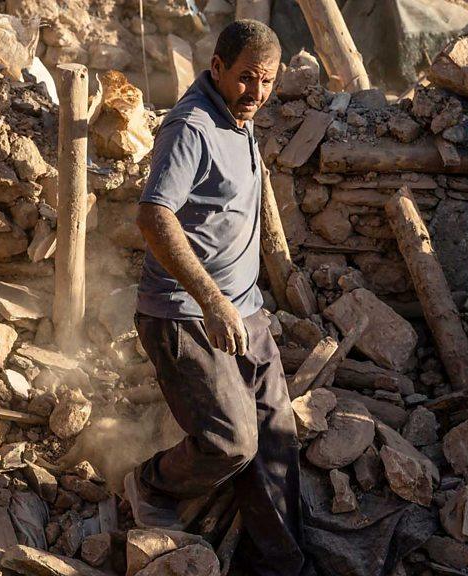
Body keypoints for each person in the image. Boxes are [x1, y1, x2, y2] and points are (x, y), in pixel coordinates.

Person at [126, 19, 306, 576]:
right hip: (186, 313)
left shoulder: (239, 118)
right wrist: (210, 299)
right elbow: (155, 215)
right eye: (246, 78)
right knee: (231, 443)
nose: (256, 93)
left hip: (243, 308)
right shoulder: (193, 126)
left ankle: (282, 566)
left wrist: (239, 299)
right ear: (217, 68)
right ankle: (150, 483)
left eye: (268, 81)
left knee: (276, 441)